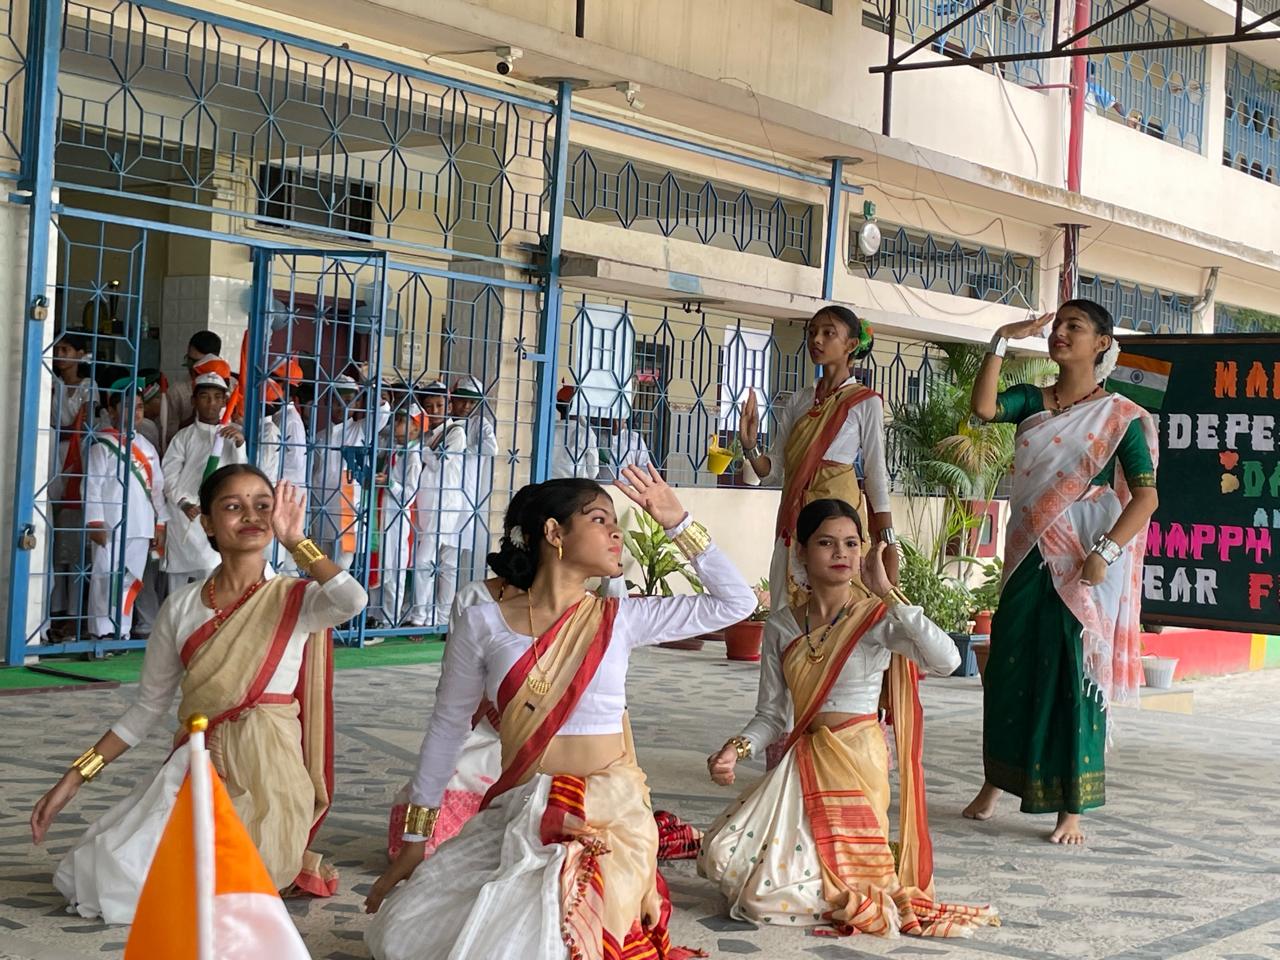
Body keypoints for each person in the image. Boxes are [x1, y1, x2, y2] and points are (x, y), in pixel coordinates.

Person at [363, 467, 755, 960]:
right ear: (554, 533)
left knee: (548, 940)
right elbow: (447, 728)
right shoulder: (483, 623)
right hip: (522, 807)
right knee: (402, 934)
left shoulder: (621, 619)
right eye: (599, 520)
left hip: (606, 817)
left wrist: (677, 521)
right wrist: (416, 838)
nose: (616, 533)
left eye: (615, 523)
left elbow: (737, 602)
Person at [31, 468, 368, 923]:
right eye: (233, 506)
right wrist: (75, 776)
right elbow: (147, 707)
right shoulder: (183, 607)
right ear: (207, 521)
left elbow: (352, 601)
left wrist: (297, 543)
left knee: (220, 890)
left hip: (270, 774)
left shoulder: (298, 598)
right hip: (198, 762)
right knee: (117, 878)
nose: (251, 516)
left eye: (263, 505)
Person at [699, 499, 999, 938]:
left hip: (857, 759)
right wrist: (736, 748)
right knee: (723, 854)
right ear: (802, 552)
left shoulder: (875, 619)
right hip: (804, 760)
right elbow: (773, 715)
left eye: (852, 543)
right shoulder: (782, 626)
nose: (841, 552)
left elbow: (948, 660)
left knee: (763, 899)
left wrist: (888, 593)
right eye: (826, 543)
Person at [961, 300, 1159, 845]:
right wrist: (1002, 337)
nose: (1061, 334)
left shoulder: (1120, 417)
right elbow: (983, 408)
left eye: (1076, 326)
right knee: (1009, 667)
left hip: (1080, 558)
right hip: (1026, 552)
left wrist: (1106, 551)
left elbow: (1146, 498)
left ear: (1102, 343)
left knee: (1071, 672)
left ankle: (1072, 804)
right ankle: (997, 781)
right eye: (1058, 326)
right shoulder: (1032, 401)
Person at [738, 306, 898, 612]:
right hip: (795, 522)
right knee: (789, 611)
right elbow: (774, 472)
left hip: (840, 523)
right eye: (812, 332)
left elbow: (876, 475)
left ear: (851, 345)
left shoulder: (865, 403)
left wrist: (888, 543)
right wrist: (750, 445)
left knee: (841, 611)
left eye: (828, 333)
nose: (817, 340)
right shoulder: (799, 400)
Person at [83, 375, 168, 642]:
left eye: (140, 407)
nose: (136, 412)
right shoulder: (101, 445)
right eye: (129, 406)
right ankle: (102, 631)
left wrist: (160, 523)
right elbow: (92, 485)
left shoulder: (148, 447)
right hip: (110, 524)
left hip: (140, 525)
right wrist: (94, 521)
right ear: (112, 411)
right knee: (105, 578)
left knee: (130, 579)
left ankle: (122, 630)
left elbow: (157, 489)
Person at [161, 358, 247, 593]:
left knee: (212, 582)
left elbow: (241, 475)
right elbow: (168, 475)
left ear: (224, 401)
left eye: (217, 397)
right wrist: (183, 503)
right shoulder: (183, 437)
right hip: (186, 517)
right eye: (205, 397)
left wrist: (240, 445)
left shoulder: (232, 436)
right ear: (194, 401)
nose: (211, 403)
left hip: (217, 518)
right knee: (177, 588)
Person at [47, 331, 97, 640]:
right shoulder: (50, 381)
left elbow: (84, 424)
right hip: (51, 456)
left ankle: (73, 613)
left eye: (66, 349)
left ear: (80, 354)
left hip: (77, 460)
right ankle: (53, 610)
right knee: (51, 533)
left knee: (74, 539)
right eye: (57, 349)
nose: (60, 355)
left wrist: (63, 428)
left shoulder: (89, 385)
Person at [409, 381, 467, 628]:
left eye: (439, 405)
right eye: (429, 406)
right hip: (426, 503)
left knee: (427, 561)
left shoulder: (455, 432)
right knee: (441, 562)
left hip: (445, 503)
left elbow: (439, 461)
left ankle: (422, 617)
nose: (434, 410)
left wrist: (421, 450)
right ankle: (440, 618)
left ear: (449, 406)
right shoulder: (425, 434)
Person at [370, 406, 423, 627]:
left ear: (415, 428)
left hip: (396, 517)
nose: (396, 425)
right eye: (397, 419)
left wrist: (390, 483)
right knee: (378, 565)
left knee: (392, 569)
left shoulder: (413, 457)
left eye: (402, 421)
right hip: (382, 513)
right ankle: (374, 615)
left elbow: (409, 495)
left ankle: (389, 619)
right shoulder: (393, 449)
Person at [311, 374, 366, 571]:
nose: (341, 406)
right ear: (328, 402)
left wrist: (369, 381)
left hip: (347, 506)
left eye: (348, 400)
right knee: (320, 562)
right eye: (336, 401)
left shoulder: (361, 429)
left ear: (358, 403)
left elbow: (383, 413)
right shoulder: (318, 437)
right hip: (321, 503)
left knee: (343, 563)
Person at [451, 375, 499, 582]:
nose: (466, 406)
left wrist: (463, 451)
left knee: (451, 557)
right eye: (462, 400)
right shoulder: (443, 419)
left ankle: (443, 604)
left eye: (472, 402)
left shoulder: (479, 423)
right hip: (439, 491)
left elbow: (492, 448)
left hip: (465, 493)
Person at [163, 330, 224, 447]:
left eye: (199, 362)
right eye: (189, 360)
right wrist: (196, 417)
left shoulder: (232, 386)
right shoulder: (177, 390)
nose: (193, 367)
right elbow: (168, 435)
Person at [550, 383, 600, 480]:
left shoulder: (549, 430)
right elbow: (593, 471)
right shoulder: (585, 434)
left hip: (550, 483)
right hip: (575, 484)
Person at [599, 415, 653, 481]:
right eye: (611, 419)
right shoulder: (597, 436)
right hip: (600, 485)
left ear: (624, 419)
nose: (616, 424)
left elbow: (645, 468)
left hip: (628, 485)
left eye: (618, 420)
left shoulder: (634, 438)